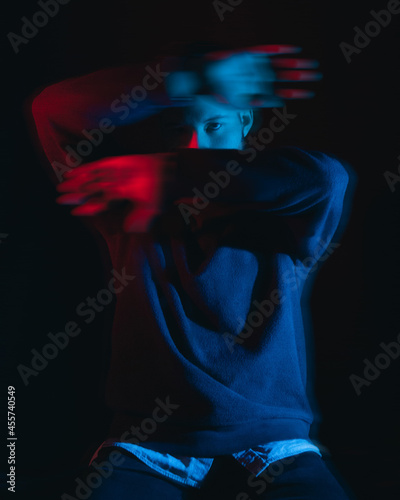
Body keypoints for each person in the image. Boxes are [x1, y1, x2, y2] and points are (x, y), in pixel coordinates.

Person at [29, 44, 355, 499]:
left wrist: (170, 175)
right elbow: (53, 109)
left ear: (246, 123)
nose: (196, 144)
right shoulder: (128, 198)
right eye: (179, 131)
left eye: (216, 124)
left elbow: (325, 178)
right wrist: (186, 80)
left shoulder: (285, 216)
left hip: (275, 446)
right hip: (151, 445)